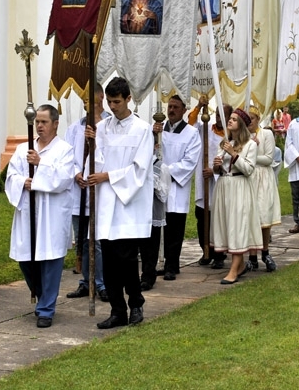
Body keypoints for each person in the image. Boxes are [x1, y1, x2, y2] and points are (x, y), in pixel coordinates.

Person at [84, 77, 154, 329]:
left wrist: (107, 176)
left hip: (127, 206)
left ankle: (135, 303)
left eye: (116, 102)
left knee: (125, 260)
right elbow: (97, 160)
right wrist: (91, 148)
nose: (112, 107)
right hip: (105, 203)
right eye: (109, 102)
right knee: (109, 263)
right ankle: (117, 310)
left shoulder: (142, 129)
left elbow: (140, 169)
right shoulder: (102, 128)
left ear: (128, 99)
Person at [5, 105, 75, 328]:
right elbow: (11, 175)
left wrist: (40, 165)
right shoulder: (23, 149)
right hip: (28, 209)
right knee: (26, 258)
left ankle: (46, 308)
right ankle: (41, 294)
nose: (40, 126)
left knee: (51, 258)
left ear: (55, 124)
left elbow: (64, 178)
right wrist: (22, 182)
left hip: (52, 211)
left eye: (44, 122)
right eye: (37, 122)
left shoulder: (64, 149)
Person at [148, 95, 201, 283]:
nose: (171, 110)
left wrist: (165, 171)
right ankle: (156, 264)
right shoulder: (158, 130)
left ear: (184, 110)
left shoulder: (191, 133)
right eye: (169, 106)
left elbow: (189, 161)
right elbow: (150, 151)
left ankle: (172, 265)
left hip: (176, 185)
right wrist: (153, 136)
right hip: (157, 183)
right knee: (157, 226)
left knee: (174, 227)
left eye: (176, 107)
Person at [65, 84, 110, 303]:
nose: (87, 103)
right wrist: (76, 173)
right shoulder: (75, 128)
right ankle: (85, 281)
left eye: (90, 98)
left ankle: (100, 282)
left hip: (99, 191)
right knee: (82, 238)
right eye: (83, 99)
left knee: (97, 240)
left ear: (100, 98)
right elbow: (67, 155)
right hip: (78, 191)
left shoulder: (108, 125)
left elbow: (109, 155)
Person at [210, 109, 262, 284]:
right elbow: (220, 168)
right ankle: (239, 266)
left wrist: (233, 154)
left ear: (241, 123)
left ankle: (234, 269)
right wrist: (216, 166)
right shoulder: (225, 142)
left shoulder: (250, 145)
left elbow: (248, 169)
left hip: (239, 187)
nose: (229, 121)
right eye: (229, 119)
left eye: (233, 119)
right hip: (224, 187)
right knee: (226, 225)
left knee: (237, 226)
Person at [188, 98, 231, 269]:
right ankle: (206, 250)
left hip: (220, 181)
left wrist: (215, 171)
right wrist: (199, 106)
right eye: (218, 115)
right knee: (202, 218)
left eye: (224, 115)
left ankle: (219, 254)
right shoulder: (205, 129)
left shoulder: (230, 136)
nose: (219, 118)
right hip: (203, 180)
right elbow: (190, 122)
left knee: (218, 219)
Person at [244, 106, 281, 272]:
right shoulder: (243, 136)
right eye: (247, 119)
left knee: (264, 216)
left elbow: (268, 158)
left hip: (263, 177)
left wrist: (251, 156)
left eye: (251, 118)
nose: (249, 122)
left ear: (257, 119)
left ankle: (265, 251)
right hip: (249, 177)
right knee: (251, 216)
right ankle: (252, 256)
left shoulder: (266, 134)